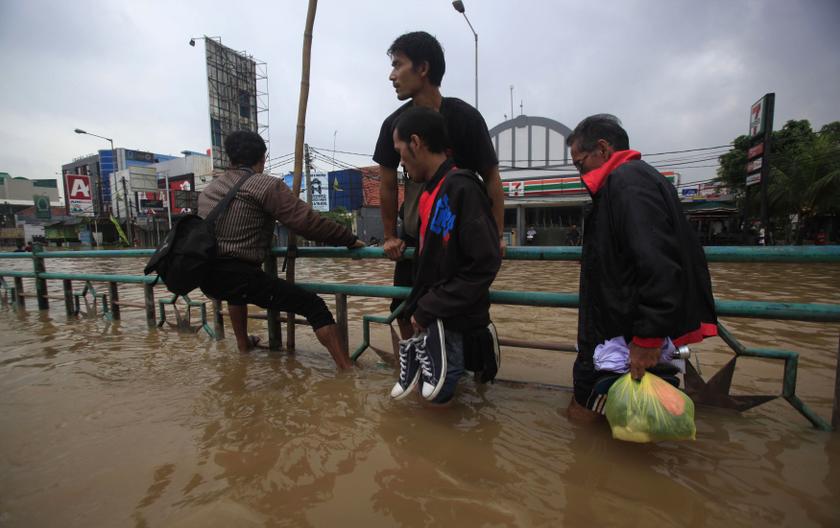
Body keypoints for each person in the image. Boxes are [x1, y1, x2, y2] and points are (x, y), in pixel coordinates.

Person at [565, 114, 717, 422]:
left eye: (580, 164)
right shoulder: (635, 181)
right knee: (628, 424)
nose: (580, 174)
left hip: (627, 341)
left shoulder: (627, 183)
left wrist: (648, 339)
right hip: (623, 335)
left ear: (603, 150)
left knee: (587, 419)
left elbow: (658, 262)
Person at [373, 31, 504, 340]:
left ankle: (456, 376)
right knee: (404, 309)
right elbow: (388, 185)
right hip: (415, 237)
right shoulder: (395, 125)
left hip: (458, 238)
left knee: (458, 312)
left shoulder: (465, 118)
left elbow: (493, 179)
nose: (392, 76)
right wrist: (390, 236)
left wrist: (497, 235)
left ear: (423, 68)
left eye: (398, 65)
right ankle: (415, 372)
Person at [198, 131, 365, 369]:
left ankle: (243, 347)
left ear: (230, 158)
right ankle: (347, 369)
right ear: (262, 159)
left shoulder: (209, 190)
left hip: (208, 276)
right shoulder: (264, 185)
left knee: (235, 295)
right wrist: (348, 238)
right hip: (240, 275)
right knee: (313, 305)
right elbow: (306, 223)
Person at [388, 106, 501, 404]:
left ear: (416, 143)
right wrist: (416, 307)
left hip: (452, 321)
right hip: (436, 319)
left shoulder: (462, 188)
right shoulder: (430, 191)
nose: (401, 162)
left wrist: (430, 306)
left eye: (400, 152)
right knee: (435, 406)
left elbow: (485, 262)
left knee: (437, 408)